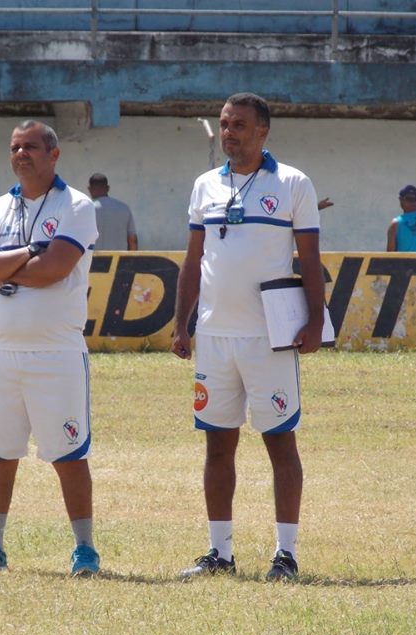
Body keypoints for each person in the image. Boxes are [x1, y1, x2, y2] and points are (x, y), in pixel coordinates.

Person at [171, 92, 324, 582]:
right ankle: (220, 553)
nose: (229, 133)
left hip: (269, 339)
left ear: (263, 131)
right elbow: (194, 260)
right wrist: (182, 322)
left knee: (280, 442)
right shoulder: (203, 186)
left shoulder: (293, 184)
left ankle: (286, 555)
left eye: (239, 125)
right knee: (218, 445)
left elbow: (311, 259)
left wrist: (315, 321)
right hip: (215, 337)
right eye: (223, 124)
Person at [0, 120, 101, 577]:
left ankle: (84, 549)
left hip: (56, 351)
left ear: (54, 154)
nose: (22, 154)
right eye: (16, 148)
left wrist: (6, 263)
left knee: (68, 453)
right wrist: (26, 253)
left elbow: (55, 268)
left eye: (32, 147)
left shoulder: (76, 204)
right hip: (0, 350)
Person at [87, 173, 138, 251]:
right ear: (108, 188)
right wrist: (133, 261)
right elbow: (132, 240)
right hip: (119, 260)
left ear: (89, 189)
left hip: (94, 260)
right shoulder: (124, 208)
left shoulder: (87, 209)